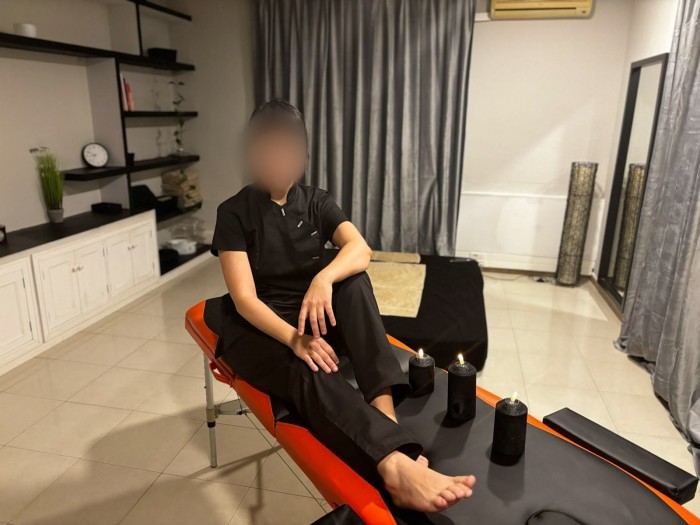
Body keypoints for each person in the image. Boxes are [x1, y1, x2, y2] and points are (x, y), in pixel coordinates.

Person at [210, 98, 476, 513]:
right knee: (306, 366)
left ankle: (384, 418)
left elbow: (359, 248)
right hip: (262, 326)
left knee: (353, 282)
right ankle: (394, 466)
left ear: (303, 155)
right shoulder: (234, 212)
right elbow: (244, 299)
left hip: (309, 312)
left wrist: (323, 278)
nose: (278, 159)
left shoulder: (316, 201)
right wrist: (295, 340)